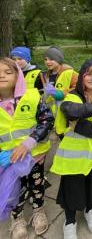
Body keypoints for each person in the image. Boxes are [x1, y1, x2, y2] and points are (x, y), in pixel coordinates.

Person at [50, 59, 92, 238]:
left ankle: (89, 209)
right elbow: (71, 111)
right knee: (72, 189)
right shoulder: (73, 96)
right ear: (81, 76)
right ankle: (69, 221)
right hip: (74, 159)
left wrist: (78, 126)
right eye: (89, 73)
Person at [0, 58, 54, 239]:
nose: (2, 76)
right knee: (15, 188)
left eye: (7, 72)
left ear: (17, 76)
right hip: (10, 160)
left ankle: (39, 210)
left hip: (35, 155)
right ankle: (17, 218)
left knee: (37, 183)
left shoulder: (31, 96)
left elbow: (47, 119)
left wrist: (29, 143)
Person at [42, 46, 78, 131]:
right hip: (52, 115)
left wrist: (62, 93)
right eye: (45, 59)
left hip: (66, 115)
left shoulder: (70, 73)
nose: (48, 62)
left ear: (59, 60)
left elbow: (79, 88)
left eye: (51, 59)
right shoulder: (45, 75)